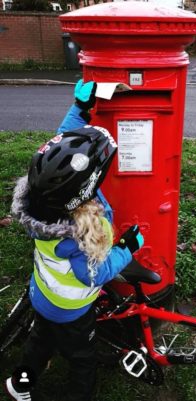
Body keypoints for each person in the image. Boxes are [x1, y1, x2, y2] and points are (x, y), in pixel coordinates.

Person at [5, 80, 143, 401]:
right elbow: (95, 273)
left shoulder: (44, 198)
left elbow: (62, 147)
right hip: (72, 313)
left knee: (39, 344)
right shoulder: (80, 237)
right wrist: (126, 249)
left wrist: (80, 109)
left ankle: (20, 384)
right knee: (83, 359)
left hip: (41, 297)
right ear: (85, 189)